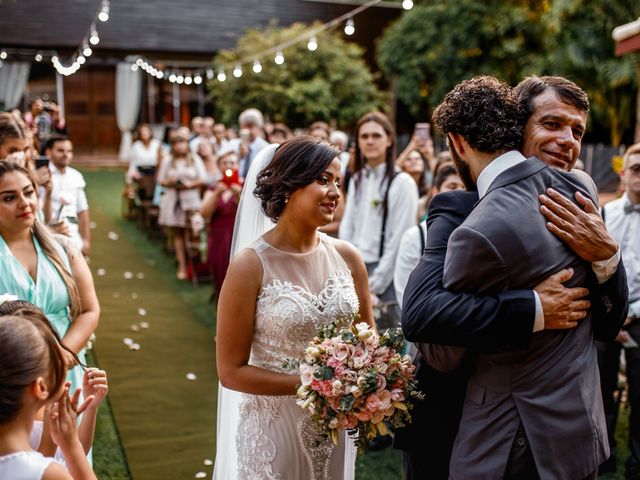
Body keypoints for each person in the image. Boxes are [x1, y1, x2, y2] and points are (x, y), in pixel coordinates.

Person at [397, 75, 629, 480]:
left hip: (554, 429)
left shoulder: (580, 196)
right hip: (461, 416)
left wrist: (608, 256)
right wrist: (533, 307)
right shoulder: (460, 208)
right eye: (552, 124)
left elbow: (605, 324)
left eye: (577, 131)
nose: (568, 141)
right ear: (515, 126)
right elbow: (425, 312)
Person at [214, 136, 374, 479]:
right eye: (322, 180)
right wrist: (314, 382)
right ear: (288, 185)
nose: (334, 192)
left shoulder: (349, 258)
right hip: (275, 432)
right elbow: (230, 371)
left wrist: (370, 379)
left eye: (338, 182)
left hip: (336, 425)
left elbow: (368, 339)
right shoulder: (250, 266)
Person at [0, 160, 100, 393]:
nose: (24, 203)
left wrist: (63, 354)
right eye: (9, 198)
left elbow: (90, 309)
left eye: (28, 192)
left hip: (64, 370)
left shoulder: (63, 248)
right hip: (11, 374)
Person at [0, 299, 108, 465]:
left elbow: (74, 453)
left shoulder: (50, 399)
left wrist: (91, 408)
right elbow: (38, 471)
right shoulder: (15, 412)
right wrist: (48, 438)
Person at [339, 111, 419, 329]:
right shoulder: (357, 179)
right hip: (355, 270)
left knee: (384, 349)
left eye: (376, 135)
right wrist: (346, 271)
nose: (370, 141)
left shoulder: (402, 183)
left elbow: (399, 239)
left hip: (387, 276)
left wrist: (372, 285)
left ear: (389, 140)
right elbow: (348, 227)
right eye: (364, 137)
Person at [597, 143, 640, 478]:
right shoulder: (605, 214)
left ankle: (636, 461)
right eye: (635, 169)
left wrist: (633, 313)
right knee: (601, 389)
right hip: (605, 316)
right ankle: (603, 454)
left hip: (639, 320)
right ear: (623, 174)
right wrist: (614, 313)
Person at [393, 165, 463, 309]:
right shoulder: (414, 236)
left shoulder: (477, 232)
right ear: (435, 192)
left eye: (464, 187)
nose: (459, 192)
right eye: (452, 186)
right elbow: (403, 292)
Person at [157, 129, 207, 280]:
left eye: (182, 143)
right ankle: (182, 266)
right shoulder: (167, 160)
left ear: (187, 144)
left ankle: (195, 266)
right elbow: (160, 180)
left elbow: (203, 178)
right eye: (176, 143)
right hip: (173, 199)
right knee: (178, 233)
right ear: (172, 145)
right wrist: (170, 182)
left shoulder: (194, 159)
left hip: (190, 199)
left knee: (192, 232)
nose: (179, 146)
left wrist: (190, 184)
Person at [200, 150, 242, 295]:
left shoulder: (246, 186)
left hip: (237, 235)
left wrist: (238, 195)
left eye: (232, 162)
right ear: (219, 166)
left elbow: (249, 213)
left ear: (238, 165)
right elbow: (204, 213)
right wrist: (216, 194)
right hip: (217, 236)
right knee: (217, 268)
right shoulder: (214, 188)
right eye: (225, 163)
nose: (229, 166)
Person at [44, 136, 91, 256]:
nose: (66, 154)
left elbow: (82, 210)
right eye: (60, 150)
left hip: (72, 234)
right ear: (49, 152)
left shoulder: (76, 176)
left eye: (69, 151)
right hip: (48, 234)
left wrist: (86, 240)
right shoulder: (42, 176)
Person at [236, 108, 269, 179]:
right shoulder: (233, 145)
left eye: (251, 126)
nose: (247, 130)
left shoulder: (265, 147)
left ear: (259, 127)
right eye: (245, 126)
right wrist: (239, 156)